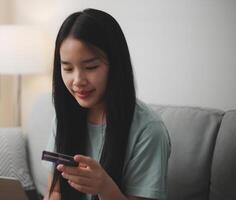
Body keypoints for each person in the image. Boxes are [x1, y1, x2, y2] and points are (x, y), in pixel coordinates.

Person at [43, 8, 171, 200]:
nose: (77, 80)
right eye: (67, 68)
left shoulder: (148, 130)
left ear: (116, 65)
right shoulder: (64, 117)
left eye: (91, 67)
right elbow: (55, 191)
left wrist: (104, 186)